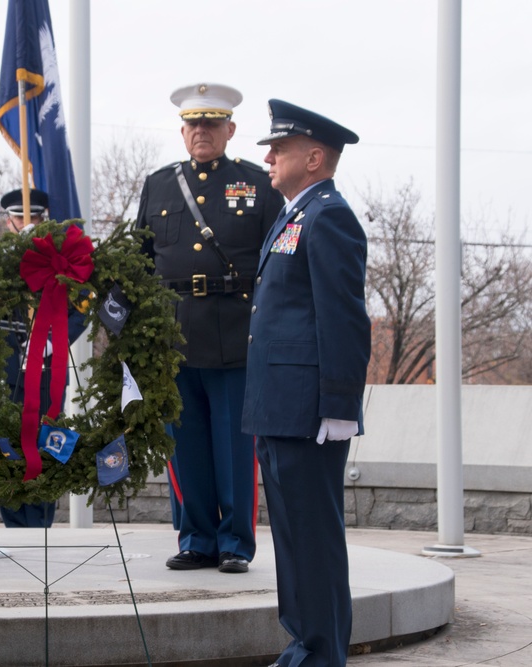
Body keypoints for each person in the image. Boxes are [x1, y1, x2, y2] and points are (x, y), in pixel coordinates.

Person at [136, 83, 284, 573]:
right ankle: (196, 537)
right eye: (194, 124)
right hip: (175, 338)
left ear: (230, 130)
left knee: (236, 449)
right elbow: (139, 262)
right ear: (183, 132)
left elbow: (276, 263)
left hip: (235, 336)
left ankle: (235, 543)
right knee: (185, 446)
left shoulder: (257, 184)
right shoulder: (159, 185)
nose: (203, 131)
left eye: (212, 123)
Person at [242, 99, 370, 667]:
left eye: (280, 149)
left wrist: (339, 405)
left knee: (312, 539)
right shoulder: (294, 213)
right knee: (293, 539)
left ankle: (319, 654)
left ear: (314, 158)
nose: (268, 158)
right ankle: (304, 646)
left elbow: (342, 317)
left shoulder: (328, 216)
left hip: (308, 412)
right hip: (279, 407)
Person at [0, 187, 86, 528]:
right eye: (21, 218)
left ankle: (42, 518)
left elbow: (82, 303)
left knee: (46, 441)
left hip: (48, 369)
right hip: (8, 369)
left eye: (35, 217)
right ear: (9, 222)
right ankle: (13, 520)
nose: (28, 224)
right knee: (8, 442)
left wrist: (53, 339)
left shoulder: (59, 257)